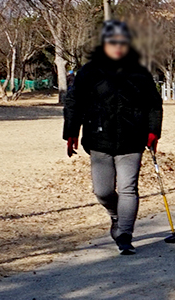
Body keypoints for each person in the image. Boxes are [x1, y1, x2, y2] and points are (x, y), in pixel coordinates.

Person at [63, 20, 163, 255]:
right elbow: (74, 102)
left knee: (129, 188)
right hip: (99, 140)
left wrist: (153, 132)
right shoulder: (89, 71)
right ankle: (116, 215)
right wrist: (71, 132)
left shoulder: (139, 72)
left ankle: (125, 235)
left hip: (132, 139)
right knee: (103, 191)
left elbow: (153, 105)